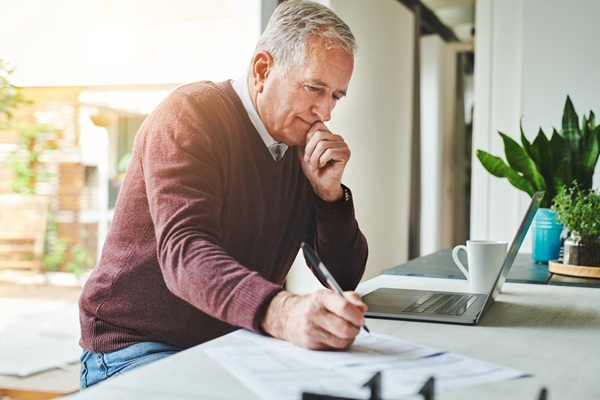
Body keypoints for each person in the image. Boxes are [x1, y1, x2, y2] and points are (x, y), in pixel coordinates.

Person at [78, 0, 368, 389]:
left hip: (233, 340)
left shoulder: (299, 147)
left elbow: (344, 276)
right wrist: (282, 312)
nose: (325, 112)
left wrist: (328, 197)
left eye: (336, 95)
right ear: (263, 70)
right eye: (315, 88)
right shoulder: (191, 115)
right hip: (137, 344)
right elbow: (185, 251)